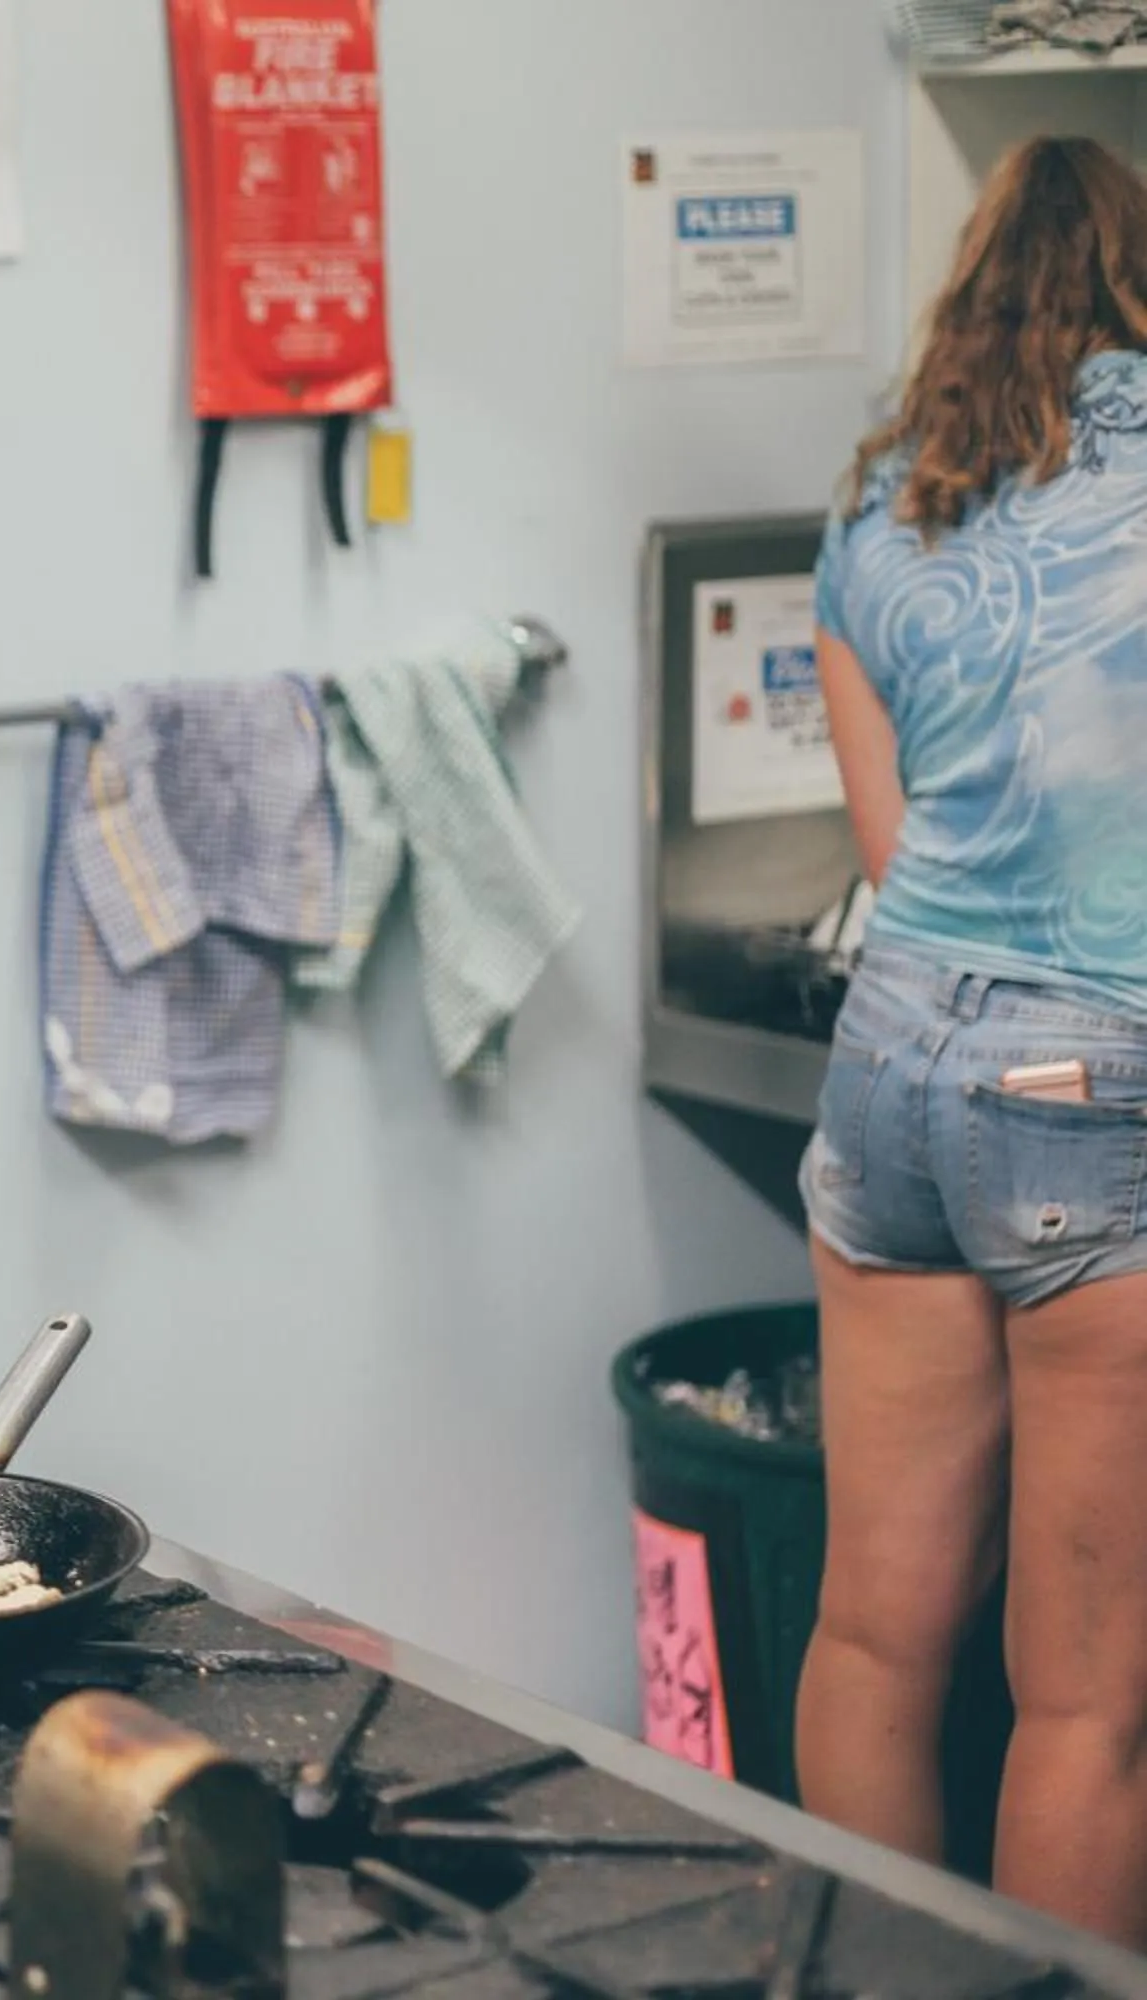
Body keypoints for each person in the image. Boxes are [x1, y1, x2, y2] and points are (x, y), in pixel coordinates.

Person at [795, 135, 1147, 1947]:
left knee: (874, 1628)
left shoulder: (885, 507)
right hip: (1092, 1088)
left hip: (896, 1058)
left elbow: (889, 849)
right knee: (1086, 1701)